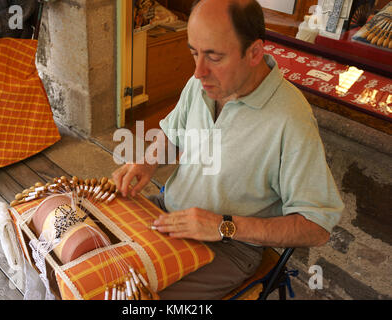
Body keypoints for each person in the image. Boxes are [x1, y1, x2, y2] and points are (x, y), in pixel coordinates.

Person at [112, 0, 344, 300]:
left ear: (255, 53)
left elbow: (316, 227)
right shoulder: (203, 84)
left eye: (214, 57)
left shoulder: (291, 121)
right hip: (167, 211)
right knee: (84, 255)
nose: (198, 72)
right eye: (194, 53)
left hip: (227, 247)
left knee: (129, 298)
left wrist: (224, 226)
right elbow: (174, 132)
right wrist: (147, 162)